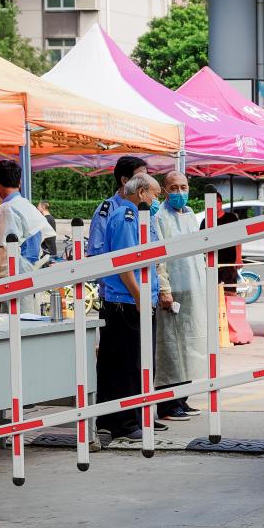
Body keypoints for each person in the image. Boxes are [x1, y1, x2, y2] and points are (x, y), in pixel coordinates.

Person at [94, 172, 164, 441]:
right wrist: (138, 296)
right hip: (126, 301)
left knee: (132, 362)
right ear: (142, 192)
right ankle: (124, 422)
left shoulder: (140, 217)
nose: (157, 201)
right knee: (128, 364)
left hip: (135, 298)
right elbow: (125, 264)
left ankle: (127, 417)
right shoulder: (126, 218)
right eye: (156, 195)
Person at [154, 171, 207, 421]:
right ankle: (167, 404)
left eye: (183, 187)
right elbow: (159, 259)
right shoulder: (159, 217)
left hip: (192, 289)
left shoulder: (190, 215)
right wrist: (164, 289)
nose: (179, 192)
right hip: (173, 291)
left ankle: (182, 398)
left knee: (189, 346)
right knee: (170, 348)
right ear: (164, 190)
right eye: (173, 187)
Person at [0, 160, 45, 313]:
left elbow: (6, 253)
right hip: (30, 275)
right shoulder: (27, 205)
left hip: (13, 281)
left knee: (11, 323)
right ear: (19, 182)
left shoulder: (5, 209)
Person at [199, 194, 241, 293]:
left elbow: (238, 239)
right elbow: (200, 243)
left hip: (229, 263)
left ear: (221, 203)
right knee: (212, 293)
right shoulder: (205, 221)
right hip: (211, 264)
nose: (215, 204)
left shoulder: (231, 218)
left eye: (218, 201)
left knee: (230, 293)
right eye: (213, 202)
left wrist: (238, 258)